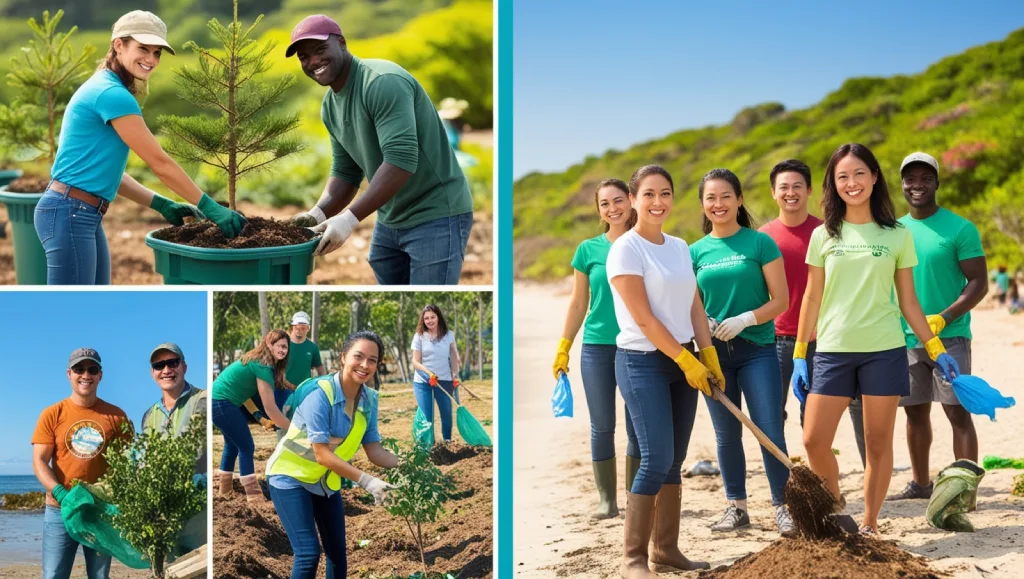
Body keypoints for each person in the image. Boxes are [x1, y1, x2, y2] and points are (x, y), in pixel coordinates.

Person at [791, 143, 961, 536]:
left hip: (883, 351)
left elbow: (909, 301)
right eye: (842, 177)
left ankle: (868, 524)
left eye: (859, 174)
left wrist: (935, 348)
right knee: (814, 439)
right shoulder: (823, 234)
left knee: (877, 443)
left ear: (874, 177)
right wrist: (802, 352)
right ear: (834, 184)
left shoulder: (898, 235)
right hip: (832, 349)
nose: (852, 183)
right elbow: (812, 297)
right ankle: (836, 511)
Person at [33, 10, 245, 285]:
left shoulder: (106, 87)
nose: (151, 60)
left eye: (157, 52)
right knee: (72, 312)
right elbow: (160, 163)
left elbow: (107, 174)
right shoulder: (113, 95)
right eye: (143, 48)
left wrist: (160, 203)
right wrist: (210, 207)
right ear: (119, 45)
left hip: (78, 212)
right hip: (70, 213)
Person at [285, 15, 474, 284]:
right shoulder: (330, 105)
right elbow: (346, 172)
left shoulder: (382, 82)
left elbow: (401, 160)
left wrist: (348, 220)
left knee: (428, 299)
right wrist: (316, 214)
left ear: (341, 43)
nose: (312, 61)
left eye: (320, 50)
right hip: (390, 217)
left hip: (435, 214)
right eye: (303, 57)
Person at [606, 165, 716, 576]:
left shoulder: (680, 246)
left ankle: (666, 550)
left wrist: (707, 353)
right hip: (642, 362)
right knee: (655, 458)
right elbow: (645, 319)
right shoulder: (626, 249)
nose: (658, 202)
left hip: (682, 360)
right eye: (648, 194)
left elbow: (693, 304)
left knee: (675, 460)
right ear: (633, 200)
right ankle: (633, 559)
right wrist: (685, 359)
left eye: (665, 193)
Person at [690, 168, 795, 536]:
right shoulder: (695, 252)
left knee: (769, 429)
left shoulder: (760, 243)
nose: (718, 204)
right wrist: (705, 321)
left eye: (725, 197)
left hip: (758, 351)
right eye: (710, 198)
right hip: (713, 355)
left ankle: (784, 507)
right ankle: (736, 507)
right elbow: (689, 306)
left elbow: (780, 300)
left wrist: (746, 319)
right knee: (726, 435)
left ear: (739, 200)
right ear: (703, 205)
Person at [886, 152, 988, 501]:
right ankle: (920, 484)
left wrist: (944, 316)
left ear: (937, 183)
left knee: (958, 413)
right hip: (905, 337)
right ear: (902, 185)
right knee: (915, 415)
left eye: (925, 178)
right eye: (910, 179)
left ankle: (964, 490)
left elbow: (978, 283)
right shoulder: (894, 231)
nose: (917, 185)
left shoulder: (960, 228)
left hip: (951, 338)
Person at [266, 331, 399, 579]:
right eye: (358, 356)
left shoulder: (369, 399)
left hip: (325, 482)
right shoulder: (321, 393)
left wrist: (405, 465)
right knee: (308, 554)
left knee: (337, 553)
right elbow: (322, 455)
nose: (365, 365)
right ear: (343, 357)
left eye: (372, 360)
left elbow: (374, 450)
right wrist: (368, 481)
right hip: (289, 477)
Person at [759, 160, 866, 466]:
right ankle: (781, 473)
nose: (790, 193)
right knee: (771, 412)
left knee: (815, 415)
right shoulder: (763, 237)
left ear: (808, 191)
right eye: (783, 187)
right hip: (776, 338)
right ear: (773, 193)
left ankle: (818, 472)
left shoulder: (829, 232)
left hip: (825, 339)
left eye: (797, 186)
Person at [552, 178, 640, 519]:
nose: (613, 208)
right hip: (597, 346)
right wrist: (563, 347)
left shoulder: (643, 244)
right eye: (605, 203)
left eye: (618, 200)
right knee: (602, 425)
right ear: (599, 209)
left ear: (631, 201)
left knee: (637, 425)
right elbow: (578, 303)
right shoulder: (588, 250)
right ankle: (607, 501)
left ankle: (636, 497)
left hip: (638, 346)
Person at [32, 348, 131, 579]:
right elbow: (39, 461)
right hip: (59, 511)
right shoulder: (52, 414)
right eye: (79, 369)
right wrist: (59, 492)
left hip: (99, 512)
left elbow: (124, 466)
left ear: (100, 375)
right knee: (53, 574)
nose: (85, 375)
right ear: (69, 373)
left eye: (92, 369)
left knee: (99, 576)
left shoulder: (117, 417)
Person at [211, 330, 293, 504]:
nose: (283, 350)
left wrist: (259, 417)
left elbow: (245, 393)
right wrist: (293, 429)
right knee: (246, 446)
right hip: (221, 403)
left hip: (221, 401)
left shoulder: (260, 362)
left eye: (285, 347)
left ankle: (224, 491)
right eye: (279, 346)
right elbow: (270, 407)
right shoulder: (263, 366)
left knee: (232, 446)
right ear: (269, 345)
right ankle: (253, 495)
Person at [141, 343, 207, 556]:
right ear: (152, 373)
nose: (166, 370)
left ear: (184, 367)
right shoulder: (149, 415)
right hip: (164, 516)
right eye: (159, 365)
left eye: (173, 363)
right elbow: (146, 460)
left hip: (199, 514)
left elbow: (199, 451)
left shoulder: (202, 400)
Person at [411, 304, 461, 443]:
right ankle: (428, 446)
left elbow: (453, 355)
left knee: (447, 414)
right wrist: (428, 374)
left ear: (438, 317)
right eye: (426, 318)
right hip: (423, 381)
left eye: (433, 317)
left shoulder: (448, 335)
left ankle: (447, 442)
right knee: (427, 417)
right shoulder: (419, 337)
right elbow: (415, 362)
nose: (430, 320)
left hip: (444, 380)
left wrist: (455, 375)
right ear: (423, 320)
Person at [284, 311, 327, 410]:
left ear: (308, 328)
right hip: (283, 389)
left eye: (303, 327)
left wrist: (326, 383)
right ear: (292, 327)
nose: (299, 330)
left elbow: (319, 367)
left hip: (304, 391)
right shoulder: (284, 344)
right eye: (296, 327)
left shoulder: (312, 347)